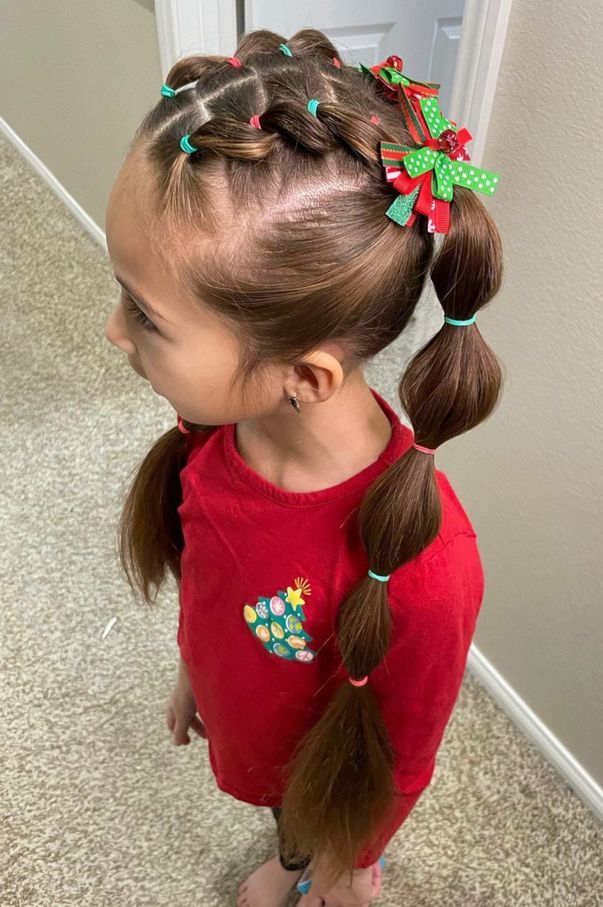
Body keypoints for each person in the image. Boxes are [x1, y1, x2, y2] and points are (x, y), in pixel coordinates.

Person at [103, 26, 504, 907]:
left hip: (332, 768)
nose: (113, 331)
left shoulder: (423, 571)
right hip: (250, 714)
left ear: (305, 375)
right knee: (288, 804)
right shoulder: (213, 428)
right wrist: (194, 669)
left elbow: (396, 755)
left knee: (316, 822)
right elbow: (209, 572)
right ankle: (294, 845)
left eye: (144, 313)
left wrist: (342, 860)